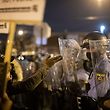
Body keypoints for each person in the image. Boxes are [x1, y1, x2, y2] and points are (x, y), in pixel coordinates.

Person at [81, 31, 110, 110]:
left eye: (91, 47)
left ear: (101, 48)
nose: (88, 51)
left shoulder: (102, 67)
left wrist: (87, 97)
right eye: (87, 48)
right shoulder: (97, 64)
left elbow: (100, 93)